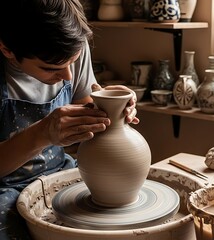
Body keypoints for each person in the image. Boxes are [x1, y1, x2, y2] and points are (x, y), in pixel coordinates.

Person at [0, 0, 139, 239]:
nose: (67, 76)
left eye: (72, 62)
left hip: (59, 171)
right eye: (51, 68)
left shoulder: (73, 44)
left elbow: (88, 124)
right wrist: (42, 133)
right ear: (7, 49)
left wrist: (112, 108)